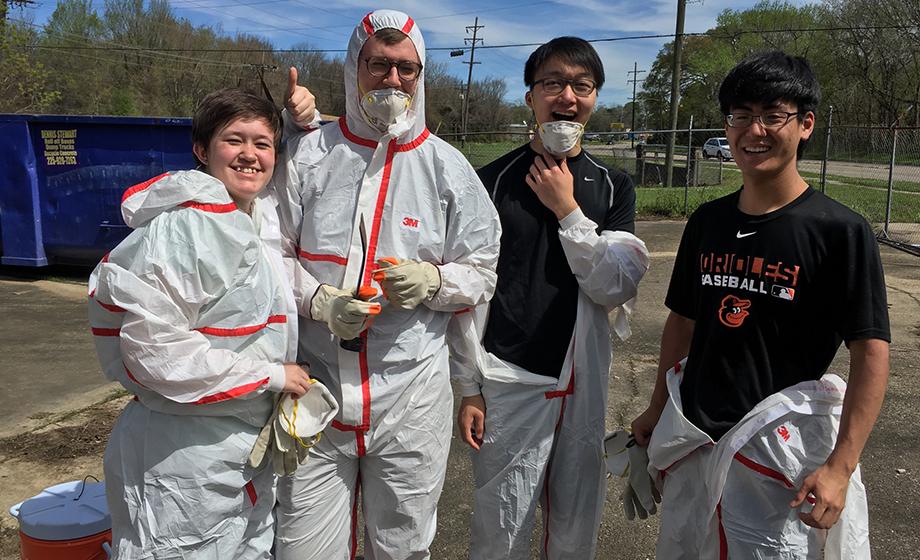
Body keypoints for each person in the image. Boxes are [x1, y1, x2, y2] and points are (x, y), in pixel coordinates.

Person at [630, 51, 890, 558]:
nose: (755, 130)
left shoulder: (839, 231)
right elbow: (682, 322)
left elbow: (871, 353)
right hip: (696, 439)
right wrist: (657, 408)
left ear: (805, 124)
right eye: (741, 116)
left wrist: (840, 467)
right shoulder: (707, 221)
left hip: (779, 455)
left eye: (773, 115)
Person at [273, 9, 501, 559]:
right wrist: (318, 300)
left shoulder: (448, 168)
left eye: (406, 69)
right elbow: (267, 250)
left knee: (401, 546)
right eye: (379, 65)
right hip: (316, 389)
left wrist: (435, 281)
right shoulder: (310, 154)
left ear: (420, 77)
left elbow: (483, 270)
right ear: (355, 68)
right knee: (302, 548)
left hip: (411, 398)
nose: (393, 81)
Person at [88, 88, 315, 558]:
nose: (250, 155)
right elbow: (154, 351)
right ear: (201, 150)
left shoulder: (243, 219)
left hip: (233, 453)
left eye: (263, 143)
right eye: (234, 140)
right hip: (182, 461)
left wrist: (301, 122)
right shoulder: (188, 228)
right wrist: (272, 376)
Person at [452, 36, 650, 559]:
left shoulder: (612, 186)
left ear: (595, 98)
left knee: (574, 524)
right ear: (530, 97)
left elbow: (614, 284)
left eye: (581, 86)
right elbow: (471, 296)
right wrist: (469, 386)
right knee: (502, 526)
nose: (567, 96)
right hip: (510, 378)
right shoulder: (491, 182)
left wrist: (567, 211)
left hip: (584, 381)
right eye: (552, 84)